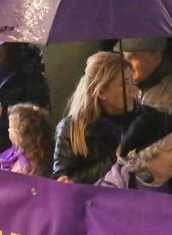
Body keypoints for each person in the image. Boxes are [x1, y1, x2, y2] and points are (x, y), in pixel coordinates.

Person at [117, 38, 172, 183]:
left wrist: (150, 152)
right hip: (136, 183)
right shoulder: (127, 88)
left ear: (156, 57)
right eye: (124, 58)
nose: (127, 65)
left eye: (133, 57)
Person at [54, 52, 140, 184]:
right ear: (101, 92)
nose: (134, 90)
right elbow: (64, 182)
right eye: (124, 84)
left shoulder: (145, 120)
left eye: (132, 82)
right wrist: (115, 159)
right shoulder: (71, 128)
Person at [0, 103, 53, 177]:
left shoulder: (31, 166)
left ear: (22, 134)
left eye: (11, 127)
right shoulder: (15, 156)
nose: (8, 130)